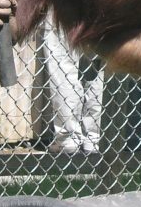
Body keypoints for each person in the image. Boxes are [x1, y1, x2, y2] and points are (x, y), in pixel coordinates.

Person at [41, 16, 104, 155]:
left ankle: (68, 139)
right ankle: (93, 138)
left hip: (65, 0)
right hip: (101, 2)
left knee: (62, 62)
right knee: (96, 66)